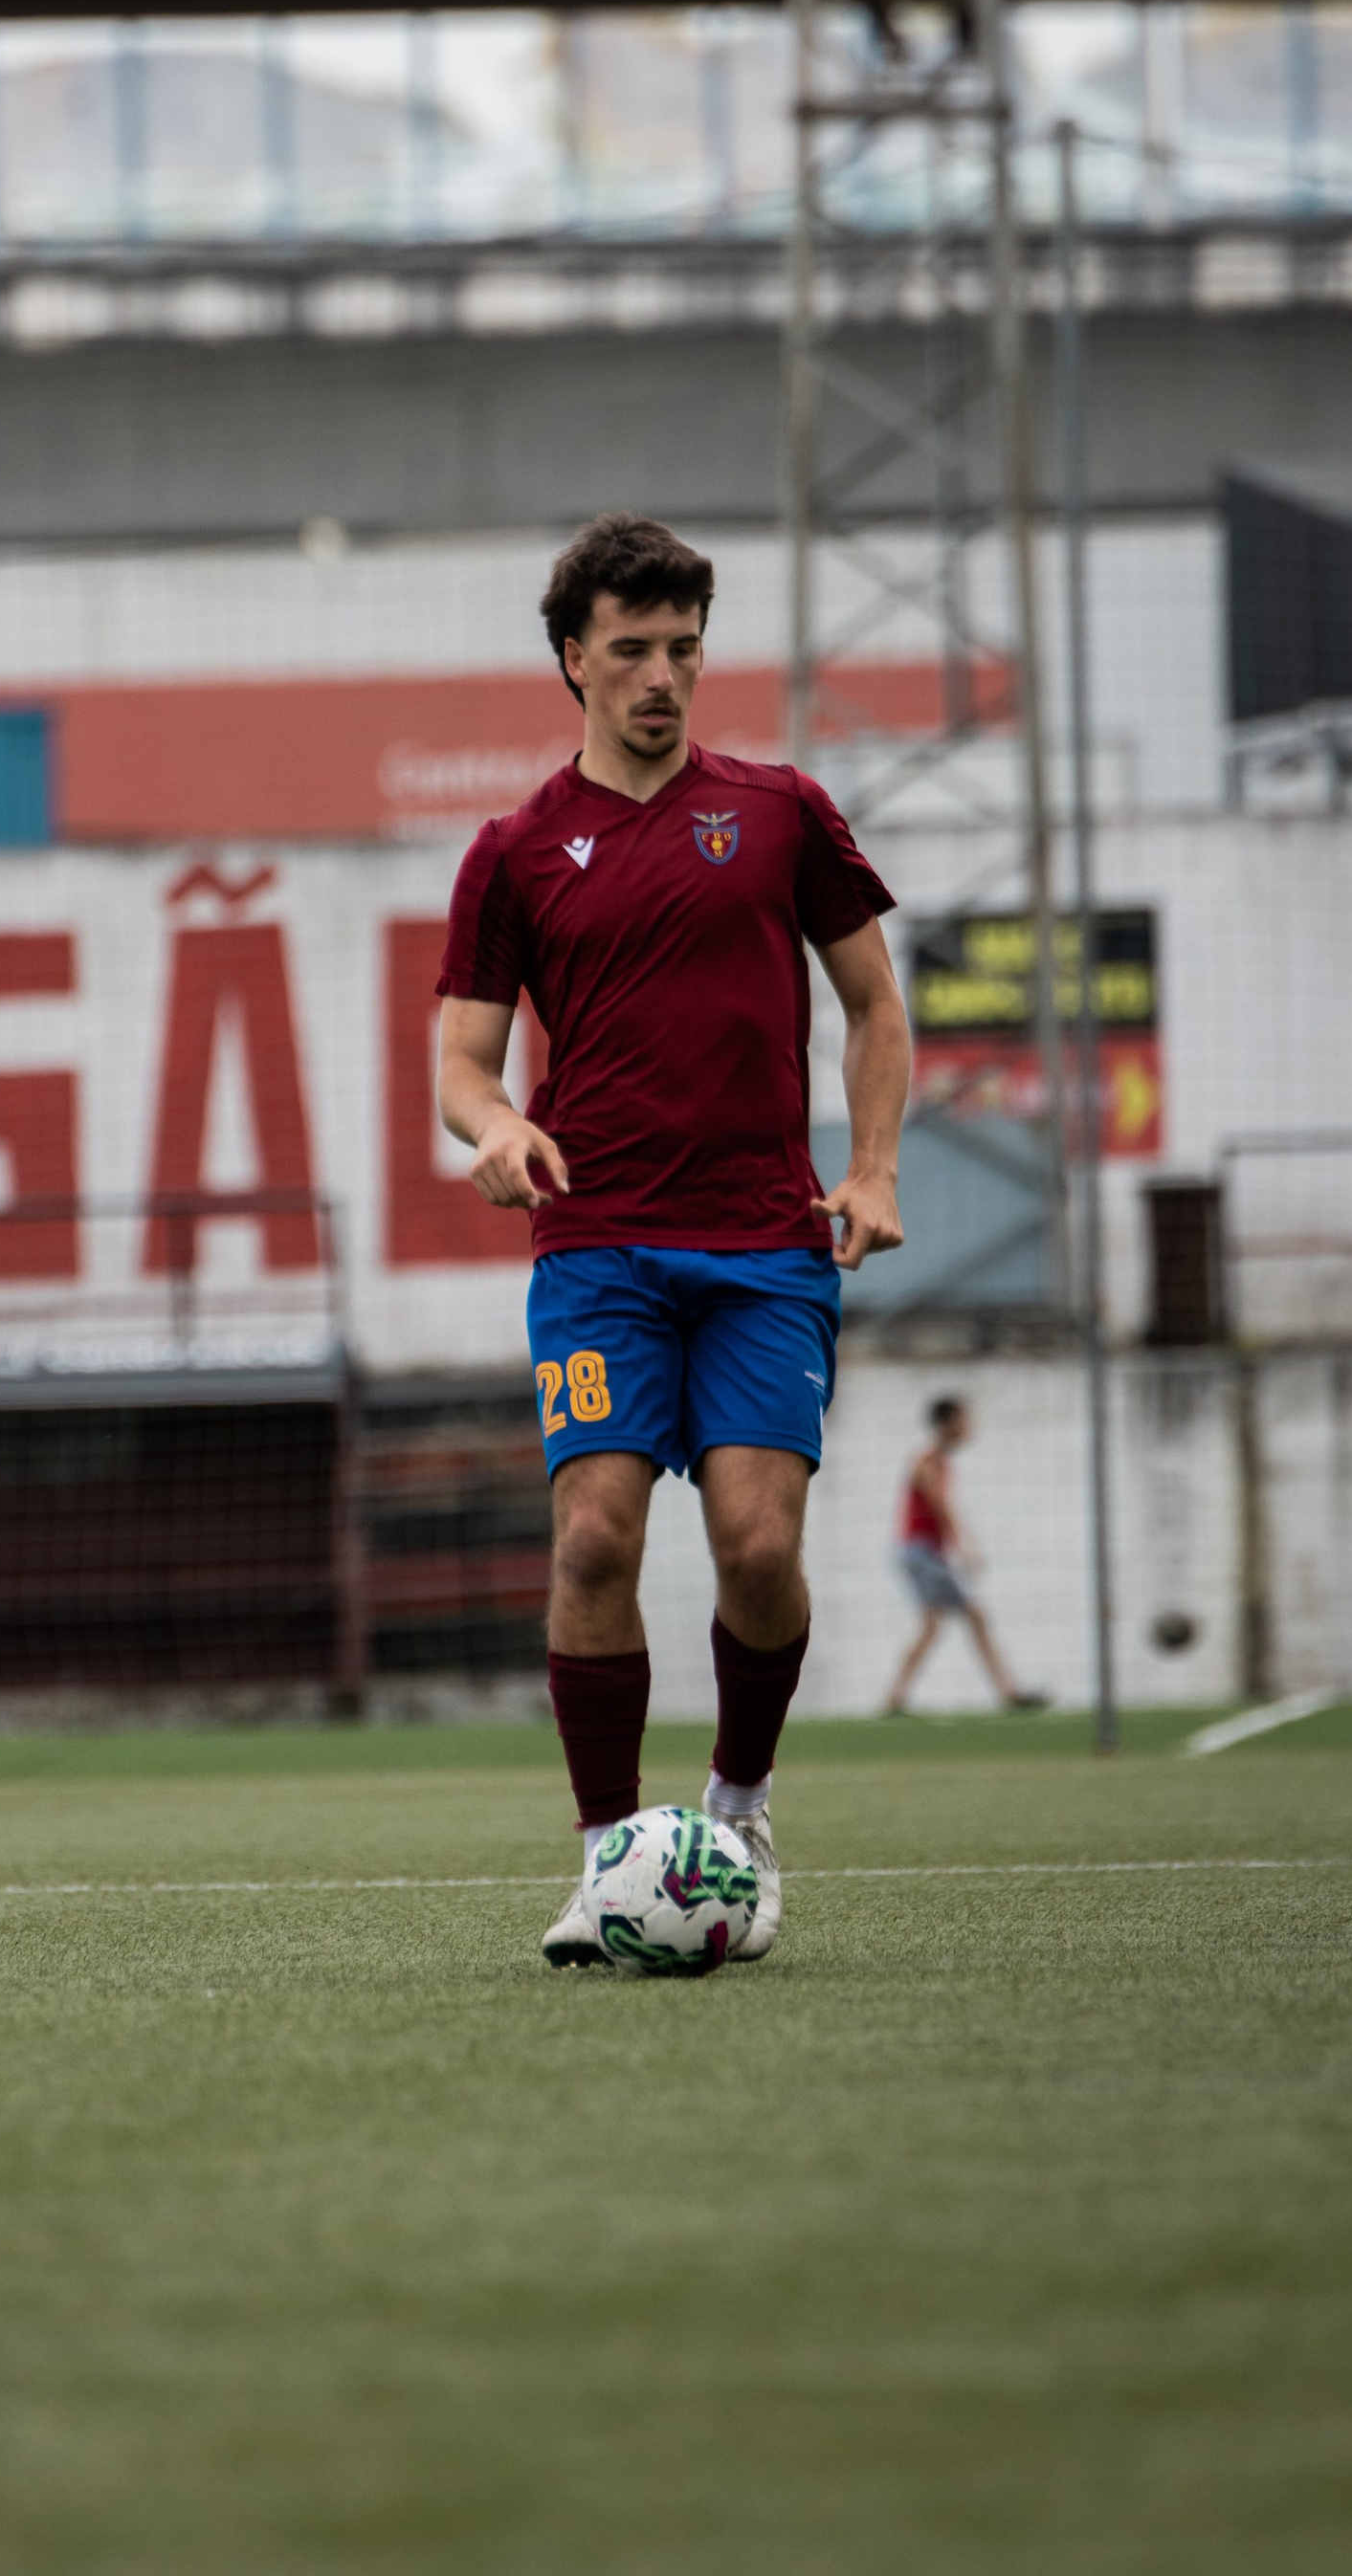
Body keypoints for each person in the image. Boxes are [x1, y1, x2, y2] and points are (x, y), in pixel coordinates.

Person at [434, 510, 912, 1968]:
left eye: (683, 650)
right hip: (597, 1254)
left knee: (759, 1546)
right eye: (630, 650)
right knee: (594, 1541)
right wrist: (499, 1127)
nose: (660, 676)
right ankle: (607, 1863)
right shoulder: (514, 852)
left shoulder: (782, 813)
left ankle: (740, 1811)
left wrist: (875, 1169)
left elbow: (876, 1008)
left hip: (767, 1247)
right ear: (572, 659)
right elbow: (460, 1061)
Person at [885, 1395, 1046, 1713]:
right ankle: (1008, 1693)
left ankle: (896, 1698)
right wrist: (965, 1549)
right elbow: (940, 1507)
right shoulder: (927, 1462)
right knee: (973, 1616)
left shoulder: (938, 1462)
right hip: (922, 1553)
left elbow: (942, 1509)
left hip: (920, 1552)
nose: (968, 1428)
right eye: (963, 1421)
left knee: (934, 1624)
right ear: (946, 1425)